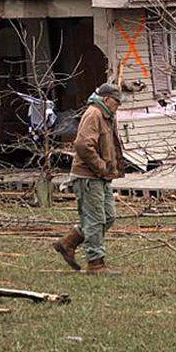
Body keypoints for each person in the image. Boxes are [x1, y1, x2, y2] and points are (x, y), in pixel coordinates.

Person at [53, 83, 124, 274]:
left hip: (100, 176)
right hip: (88, 176)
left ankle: (68, 242)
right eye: (117, 103)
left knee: (108, 217)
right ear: (108, 99)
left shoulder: (105, 115)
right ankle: (96, 263)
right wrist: (101, 166)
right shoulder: (94, 114)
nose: (118, 107)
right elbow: (83, 145)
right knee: (95, 220)